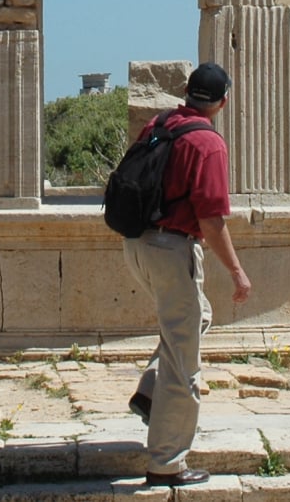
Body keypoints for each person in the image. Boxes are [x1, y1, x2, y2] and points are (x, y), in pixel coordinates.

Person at [122, 62, 251, 488]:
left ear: (186, 93)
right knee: (184, 362)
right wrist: (237, 272)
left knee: (198, 318)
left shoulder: (160, 123)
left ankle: (150, 391)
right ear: (223, 101)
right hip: (171, 248)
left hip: (136, 244)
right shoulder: (208, 143)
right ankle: (167, 463)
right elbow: (211, 221)